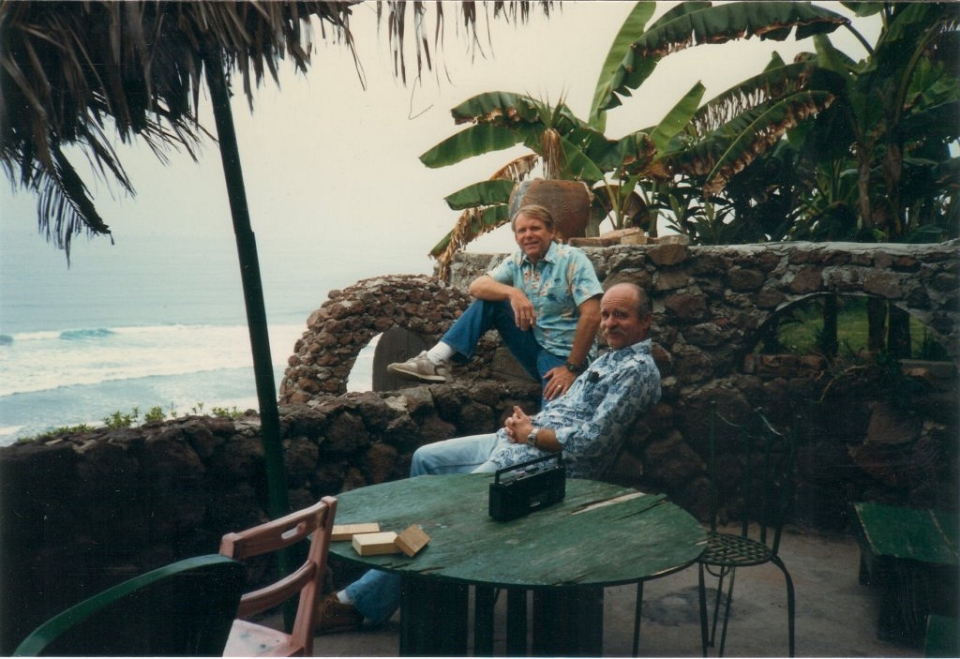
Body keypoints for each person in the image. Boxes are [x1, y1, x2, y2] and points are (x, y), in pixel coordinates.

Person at [317, 282, 661, 633]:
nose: (609, 323)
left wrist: (531, 434)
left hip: (548, 467)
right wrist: (527, 424)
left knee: (449, 508)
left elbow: (592, 442)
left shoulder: (636, 370)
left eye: (621, 315)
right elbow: (570, 411)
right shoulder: (611, 357)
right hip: (520, 443)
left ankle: (357, 602)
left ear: (646, 321)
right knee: (426, 459)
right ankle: (431, 584)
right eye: (605, 315)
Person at [388, 204, 603, 402]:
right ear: (517, 237)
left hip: (563, 356)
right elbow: (477, 286)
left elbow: (592, 314)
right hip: (532, 345)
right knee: (491, 302)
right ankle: (434, 360)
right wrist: (513, 293)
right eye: (522, 231)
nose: (528, 235)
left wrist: (571, 368)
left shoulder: (572, 260)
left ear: (551, 232)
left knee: (554, 417)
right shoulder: (518, 261)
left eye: (535, 228)